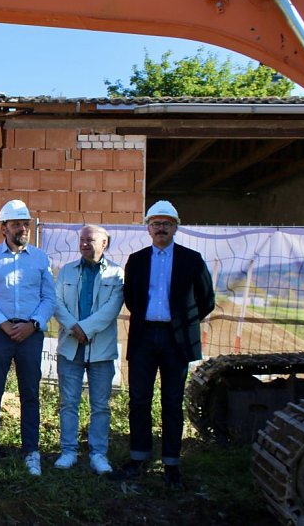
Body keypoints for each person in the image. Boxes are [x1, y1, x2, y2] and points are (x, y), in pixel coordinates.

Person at [121, 200, 214, 488]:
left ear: (175, 227)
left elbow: (206, 300)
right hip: (144, 338)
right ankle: (139, 456)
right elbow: (131, 297)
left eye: (166, 223)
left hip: (177, 341)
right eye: (155, 223)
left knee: (172, 402)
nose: (160, 228)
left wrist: (182, 324)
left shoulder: (192, 259)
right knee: (139, 400)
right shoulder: (136, 260)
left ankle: (171, 463)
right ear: (147, 228)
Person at [0, 200, 55, 476]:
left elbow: (48, 297)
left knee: (30, 394)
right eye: (17, 224)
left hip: (30, 334)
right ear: (3, 227)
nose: (23, 228)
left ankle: (31, 452)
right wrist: (4, 324)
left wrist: (34, 324)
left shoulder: (40, 258)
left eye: (26, 223)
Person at [53, 224, 124, 475]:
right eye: (82, 239)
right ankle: (68, 451)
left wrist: (85, 329)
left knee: (100, 405)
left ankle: (98, 454)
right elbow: (56, 302)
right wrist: (74, 327)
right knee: (68, 402)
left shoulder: (116, 274)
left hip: (101, 350)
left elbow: (112, 308)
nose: (84, 243)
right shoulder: (67, 271)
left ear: (104, 243)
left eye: (90, 240)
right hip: (71, 349)